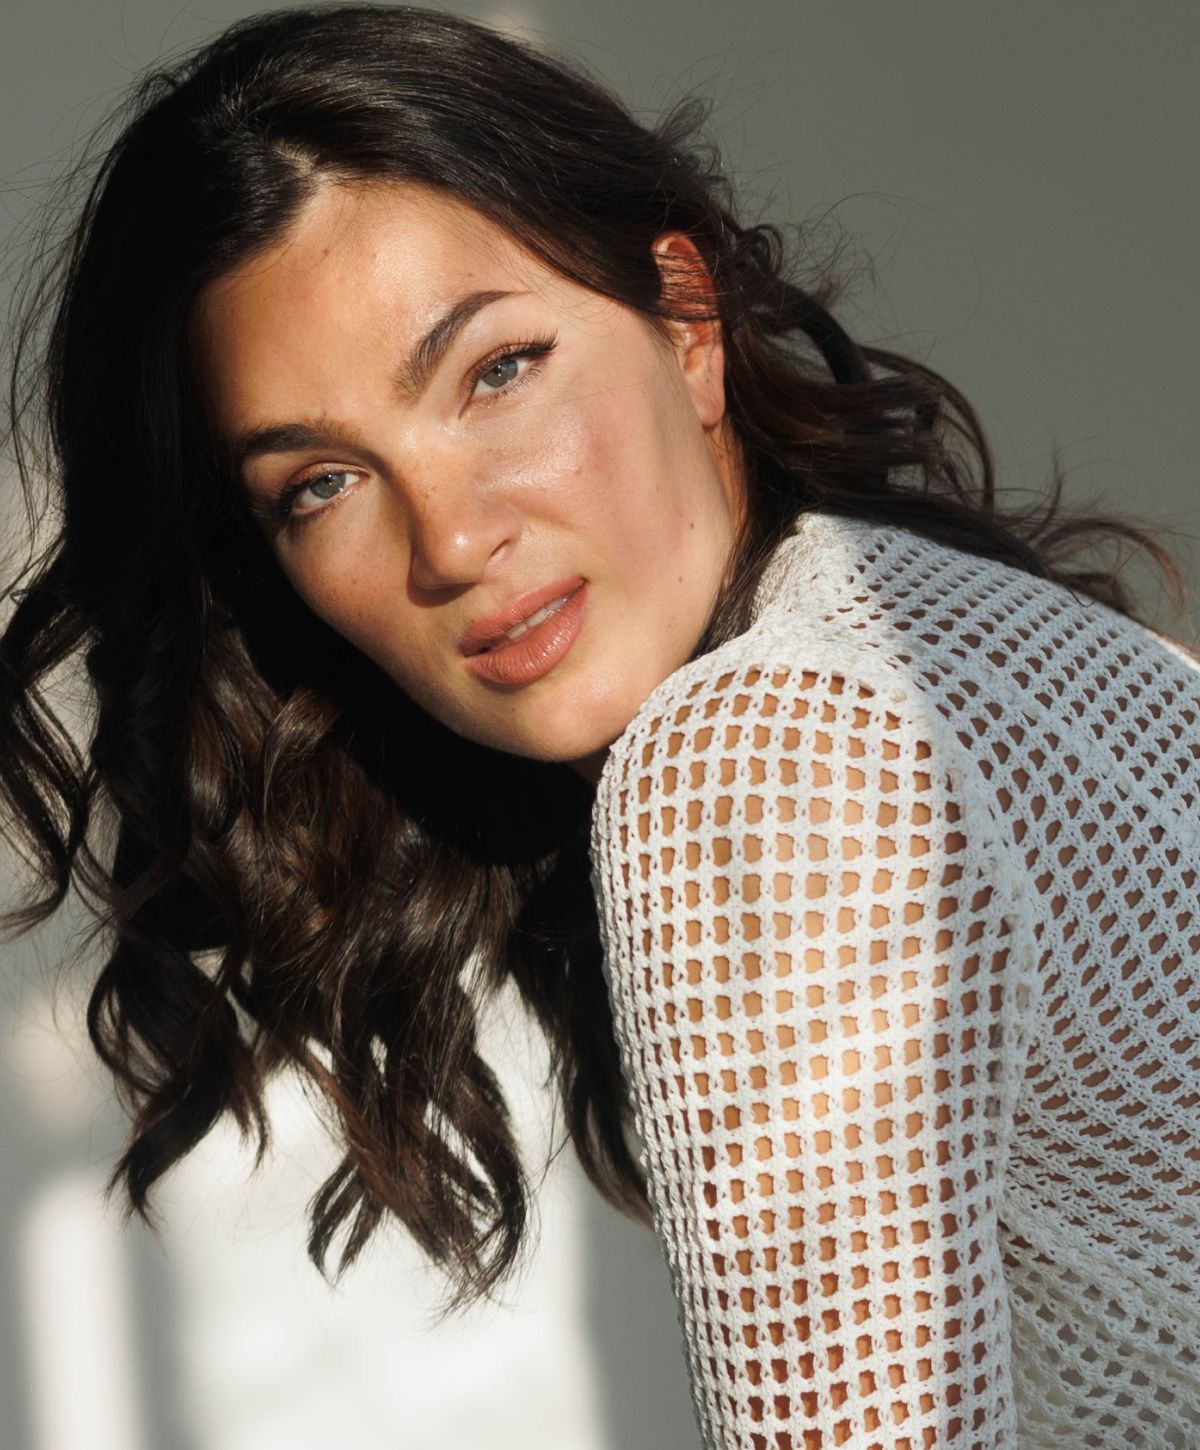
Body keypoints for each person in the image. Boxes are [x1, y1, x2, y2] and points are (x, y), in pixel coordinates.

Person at [2, 6, 1197, 1447]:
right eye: (320, 482)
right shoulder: (945, 636)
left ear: (685, 323)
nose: (448, 537)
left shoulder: (766, 748)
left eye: (498, 370)